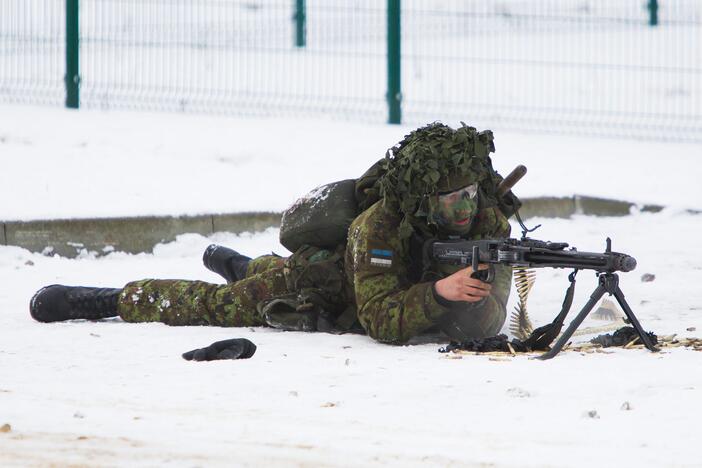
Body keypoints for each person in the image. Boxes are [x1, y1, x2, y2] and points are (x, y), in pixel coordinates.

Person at [29, 123, 518, 345]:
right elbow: (377, 321)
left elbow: (490, 322)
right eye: (451, 199)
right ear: (420, 201)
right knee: (218, 305)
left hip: (360, 281)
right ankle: (114, 300)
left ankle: (241, 265)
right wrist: (438, 293)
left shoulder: (490, 225)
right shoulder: (380, 226)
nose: (467, 207)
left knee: (259, 274)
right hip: (322, 288)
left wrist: (469, 299)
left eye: (472, 193)